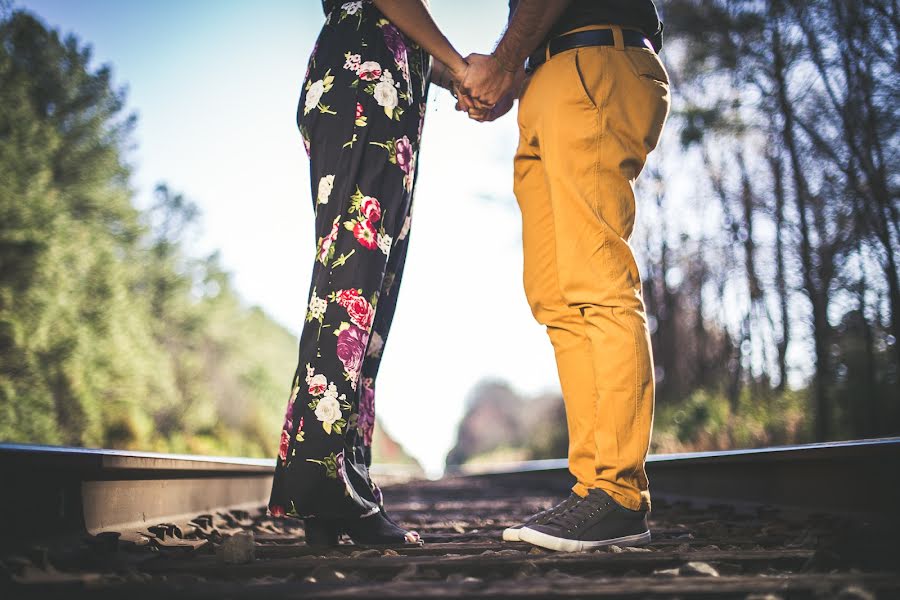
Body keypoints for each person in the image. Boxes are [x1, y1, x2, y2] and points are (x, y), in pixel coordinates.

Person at [458, 0, 670, 552]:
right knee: (555, 298)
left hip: (593, 59)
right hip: (546, 82)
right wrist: (514, 74)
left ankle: (620, 492)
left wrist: (503, 62)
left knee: (598, 283)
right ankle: (592, 489)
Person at [266, 0, 468, 546]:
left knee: (369, 300)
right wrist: (459, 63)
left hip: (384, 90)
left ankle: (340, 483)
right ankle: (324, 483)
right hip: (364, 80)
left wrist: (453, 73)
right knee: (350, 285)